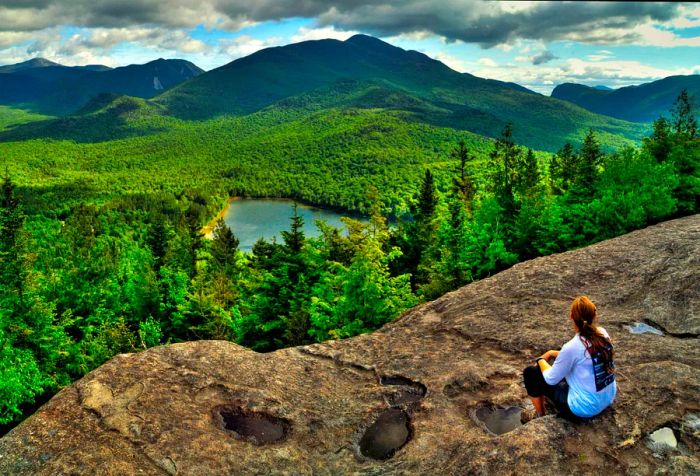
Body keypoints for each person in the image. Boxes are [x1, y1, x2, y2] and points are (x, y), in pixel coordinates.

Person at [522, 296, 617, 421]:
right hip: (607, 398)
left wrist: (540, 360)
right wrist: (552, 353)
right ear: (594, 314)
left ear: (571, 316)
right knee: (563, 367)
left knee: (530, 373)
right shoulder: (602, 333)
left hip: (583, 409)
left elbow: (551, 379)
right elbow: (584, 355)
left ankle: (540, 416)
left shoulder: (572, 347)